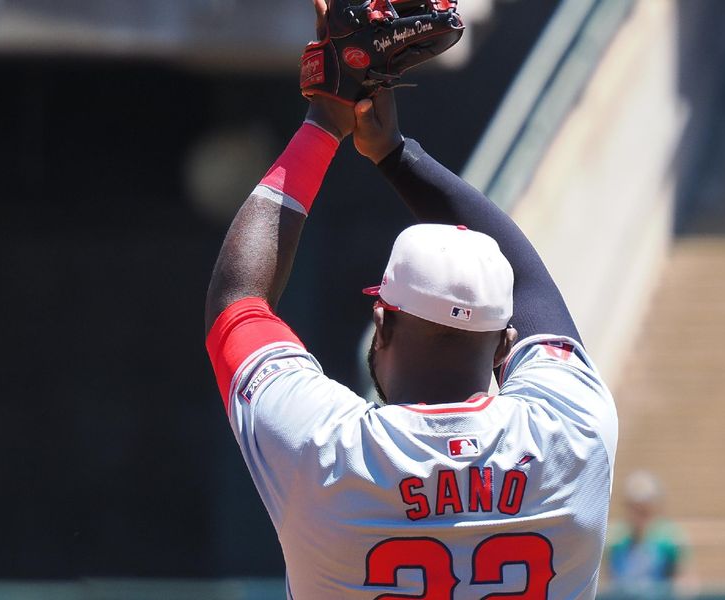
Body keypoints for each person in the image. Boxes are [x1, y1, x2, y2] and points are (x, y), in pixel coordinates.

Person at [205, 4, 618, 597]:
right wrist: (397, 154)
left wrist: (327, 121)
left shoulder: (328, 452)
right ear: (507, 343)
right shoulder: (572, 435)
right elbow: (532, 286)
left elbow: (237, 302)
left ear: (383, 323)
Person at [605, 470, 694, 598]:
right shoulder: (616, 541)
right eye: (634, 507)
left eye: (644, 508)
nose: (638, 513)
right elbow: (609, 583)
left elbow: (684, 583)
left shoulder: (670, 540)